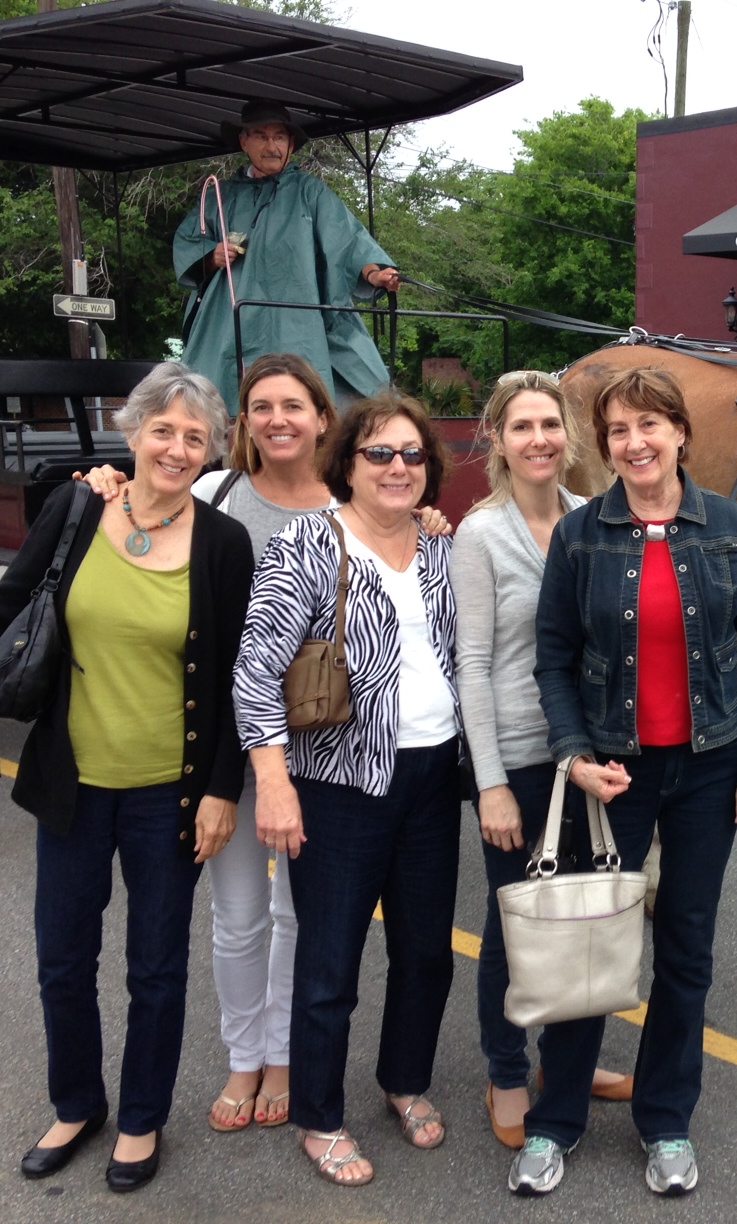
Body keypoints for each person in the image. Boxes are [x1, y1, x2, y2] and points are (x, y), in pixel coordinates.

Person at [76, 354, 452, 1135]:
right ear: (245, 423)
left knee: (314, 925)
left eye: (294, 405)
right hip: (243, 749)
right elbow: (248, 662)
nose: (278, 419)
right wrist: (106, 484)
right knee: (246, 915)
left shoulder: (401, 522)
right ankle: (250, 1058)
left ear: (323, 421)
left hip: (352, 757)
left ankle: (295, 1060)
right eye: (261, 406)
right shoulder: (220, 495)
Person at [0, 363, 253, 1192]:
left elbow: (235, 682)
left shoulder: (223, 544)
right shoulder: (75, 510)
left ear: (212, 451)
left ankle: (141, 1118)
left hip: (169, 793)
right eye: (163, 430)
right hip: (72, 784)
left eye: (195, 437)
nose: (176, 448)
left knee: (156, 968)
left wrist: (222, 790)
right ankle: (77, 1105)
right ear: (132, 431)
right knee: (62, 959)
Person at [512, 366, 737, 1197]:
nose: (635, 444)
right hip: (612, 773)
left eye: (650, 426)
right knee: (590, 944)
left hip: (709, 768)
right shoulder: (581, 535)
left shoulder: (730, 528)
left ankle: (665, 1119)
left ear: (680, 433)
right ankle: (554, 1122)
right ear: (606, 445)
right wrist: (572, 754)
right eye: (619, 430)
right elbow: (553, 659)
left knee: (686, 950)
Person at [233, 391, 462, 1188]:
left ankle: (405, 1079)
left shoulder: (439, 547)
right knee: (330, 961)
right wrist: (273, 783)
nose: (398, 467)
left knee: (426, 952)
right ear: (349, 464)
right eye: (380, 453)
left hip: (433, 775)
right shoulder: (307, 542)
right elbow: (256, 670)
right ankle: (320, 1116)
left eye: (412, 454)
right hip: (338, 783)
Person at [452, 371, 633, 1152]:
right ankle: (505, 1070)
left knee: (582, 920)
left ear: (569, 435)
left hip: (591, 754)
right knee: (517, 923)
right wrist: (490, 783)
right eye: (522, 426)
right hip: (520, 756)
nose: (539, 440)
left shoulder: (594, 519)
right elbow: (471, 665)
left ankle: (568, 1065)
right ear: (498, 439)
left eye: (550, 425)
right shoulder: (480, 535)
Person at [174, 99, 401, 417]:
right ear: (244, 141)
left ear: (291, 144)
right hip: (229, 323)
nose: (272, 146)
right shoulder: (219, 195)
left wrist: (375, 273)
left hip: (297, 326)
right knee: (213, 404)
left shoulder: (310, 192)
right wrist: (212, 256)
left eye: (279, 137)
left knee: (316, 396)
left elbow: (347, 239)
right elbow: (188, 242)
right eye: (261, 136)